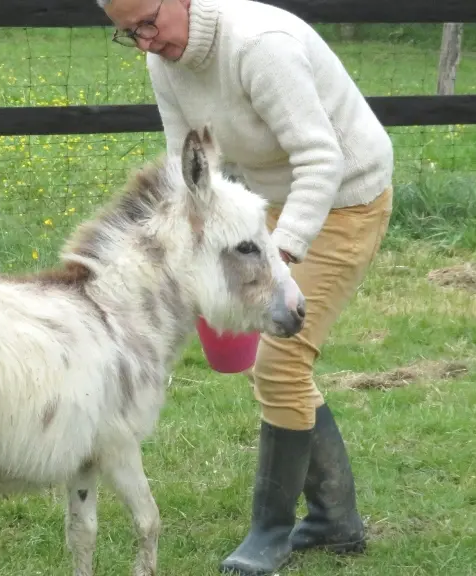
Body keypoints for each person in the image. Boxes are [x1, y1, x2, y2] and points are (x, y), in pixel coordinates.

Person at [97, 0, 394, 573]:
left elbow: (320, 156)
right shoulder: (166, 59)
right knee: (284, 361)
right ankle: (336, 520)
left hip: (345, 193)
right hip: (265, 201)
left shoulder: (261, 46)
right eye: (128, 34)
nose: (144, 44)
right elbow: (190, 172)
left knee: (280, 360)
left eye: (149, 24)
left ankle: (271, 531)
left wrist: (272, 262)